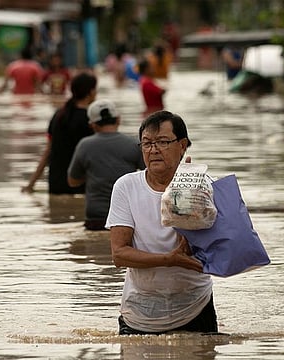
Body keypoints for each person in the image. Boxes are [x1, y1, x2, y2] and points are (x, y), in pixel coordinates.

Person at [105, 110, 218, 335]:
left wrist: (187, 193)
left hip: (195, 308)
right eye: (146, 143)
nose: (153, 150)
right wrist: (168, 260)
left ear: (182, 145)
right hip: (139, 314)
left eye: (163, 142)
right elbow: (119, 255)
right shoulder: (126, 187)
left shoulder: (204, 184)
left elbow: (222, 246)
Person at [67, 99, 145, 231]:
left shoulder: (84, 146)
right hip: (126, 217)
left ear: (92, 125)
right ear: (118, 119)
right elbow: (149, 177)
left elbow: (72, 181)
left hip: (96, 217)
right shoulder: (134, 144)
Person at [21, 72, 97, 194]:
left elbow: (48, 152)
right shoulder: (91, 120)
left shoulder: (59, 115)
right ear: (91, 92)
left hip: (56, 183)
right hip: (81, 185)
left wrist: (31, 184)